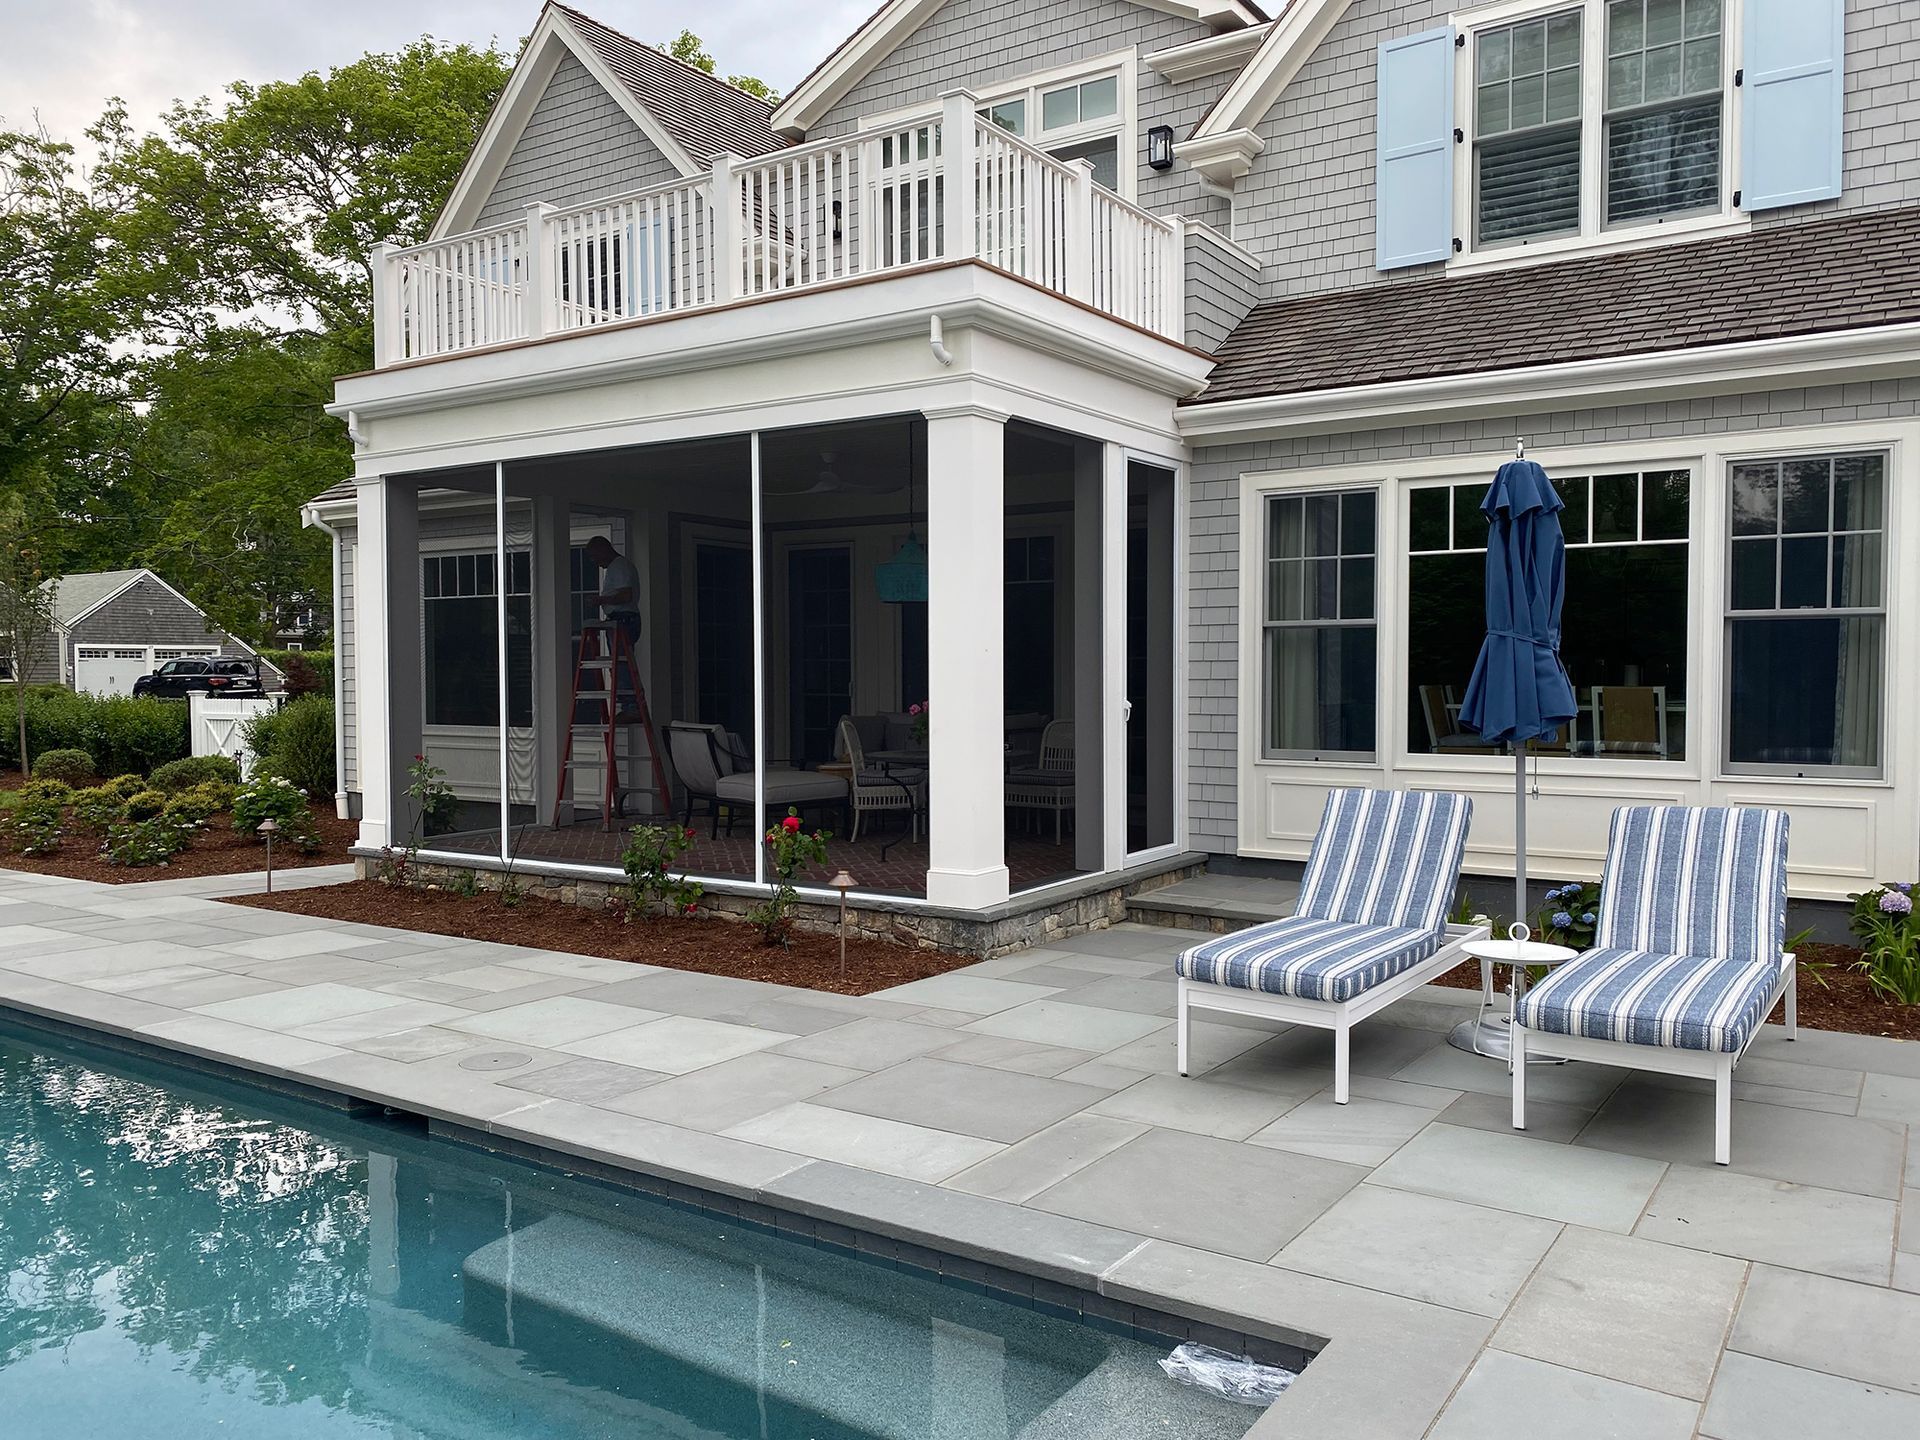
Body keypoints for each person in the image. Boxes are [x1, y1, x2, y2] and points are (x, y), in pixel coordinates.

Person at [585, 536, 643, 715]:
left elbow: (626, 596)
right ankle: (630, 704)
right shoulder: (617, 567)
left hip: (623, 620)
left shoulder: (619, 566)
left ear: (604, 549)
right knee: (620, 662)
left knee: (621, 663)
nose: (595, 561)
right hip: (622, 619)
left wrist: (600, 600)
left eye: (595, 556)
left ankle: (631, 707)